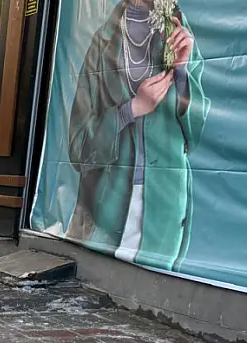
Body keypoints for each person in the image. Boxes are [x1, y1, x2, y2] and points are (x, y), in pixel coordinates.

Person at [65, 0, 206, 271]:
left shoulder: (178, 34)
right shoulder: (102, 42)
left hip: (165, 204)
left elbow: (196, 135)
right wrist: (130, 110)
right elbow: (77, 146)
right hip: (107, 201)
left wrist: (182, 71)